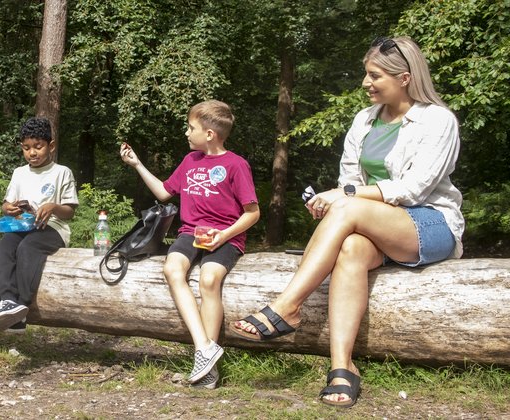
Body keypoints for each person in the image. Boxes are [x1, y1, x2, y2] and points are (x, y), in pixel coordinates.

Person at [229, 36, 464, 407]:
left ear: (404, 77)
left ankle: (287, 305)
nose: (365, 83)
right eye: (365, 74)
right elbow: (350, 181)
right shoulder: (364, 119)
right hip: (375, 221)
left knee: (349, 207)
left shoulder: (438, 120)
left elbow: (416, 188)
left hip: (430, 223)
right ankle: (343, 367)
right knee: (351, 248)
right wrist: (335, 200)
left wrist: (346, 199)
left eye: (374, 76)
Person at [120, 100, 260, 389]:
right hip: (190, 233)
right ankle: (204, 348)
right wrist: (137, 164)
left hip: (225, 235)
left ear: (209, 134)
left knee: (209, 280)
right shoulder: (189, 161)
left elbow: (253, 213)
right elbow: (162, 192)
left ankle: (209, 370)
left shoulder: (236, 164)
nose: (186, 133)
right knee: (173, 270)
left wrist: (224, 235)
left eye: (191, 127)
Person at [0, 116, 78, 333]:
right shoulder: (19, 173)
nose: (32, 153)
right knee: (6, 246)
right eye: (27, 148)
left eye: (38, 147)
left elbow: (70, 212)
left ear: (51, 146)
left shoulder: (62, 172)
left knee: (28, 248)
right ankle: (7, 302)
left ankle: (22, 304)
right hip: (22, 226)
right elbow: (6, 204)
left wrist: (53, 207)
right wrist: (9, 208)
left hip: (52, 228)